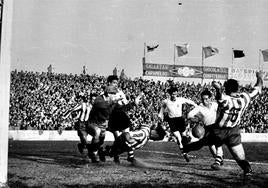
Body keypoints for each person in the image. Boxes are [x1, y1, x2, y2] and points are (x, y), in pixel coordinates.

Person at [211, 71, 263, 179]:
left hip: (220, 131)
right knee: (241, 160)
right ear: (237, 88)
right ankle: (247, 171)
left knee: (210, 134)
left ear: (226, 89)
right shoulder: (244, 98)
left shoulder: (227, 100)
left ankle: (219, 158)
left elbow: (220, 97)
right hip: (233, 131)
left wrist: (217, 88)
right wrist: (259, 77)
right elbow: (258, 88)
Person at [182, 89, 224, 164]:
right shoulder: (199, 107)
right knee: (203, 144)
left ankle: (218, 159)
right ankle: (185, 149)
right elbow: (189, 115)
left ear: (210, 98)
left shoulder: (215, 104)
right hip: (208, 128)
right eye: (203, 99)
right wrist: (197, 118)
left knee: (213, 142)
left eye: (206, 99)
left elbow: (222, 109)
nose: (204, 101)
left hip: (216, 126)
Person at [158, 87, 197, 162]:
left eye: (175, 94)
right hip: (172, 120)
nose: (174, 95)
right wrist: (160, 116)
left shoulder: (180, 99)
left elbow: (188, 101)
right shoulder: (166, 101)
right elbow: (162, 109)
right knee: (178, 138)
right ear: (170, 94)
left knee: (184, 136)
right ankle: (184, 153)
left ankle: (185, 147)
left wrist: (195, 105)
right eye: (173, 94)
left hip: (180, 120)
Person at [85, 85, 119, 163]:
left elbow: (121, 108)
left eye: (115, 94)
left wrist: (133, 104)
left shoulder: (112, 102)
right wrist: (110, 103)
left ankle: (91, 150)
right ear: (108, 93)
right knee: (97, 132)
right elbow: (100, 105)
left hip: (102, 125)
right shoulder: (99, 99)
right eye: (113, 93)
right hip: (92, 123)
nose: (114, 95)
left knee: (100, 141)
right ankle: (93, 153)